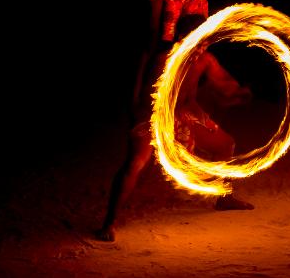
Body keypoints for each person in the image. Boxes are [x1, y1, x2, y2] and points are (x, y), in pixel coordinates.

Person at [98, 14, 255, 242]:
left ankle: (224, 197)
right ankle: (109, 223)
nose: (202, 46)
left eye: (205, 40)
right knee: (137, 162)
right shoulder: (166, 59)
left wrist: (241, 93)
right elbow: (147, 97)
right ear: (183, 38)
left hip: (184, 112)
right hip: (154, 113)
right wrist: (158, 127)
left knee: (225, 144)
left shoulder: (205, 60)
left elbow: (226, 87)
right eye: (198, 40)